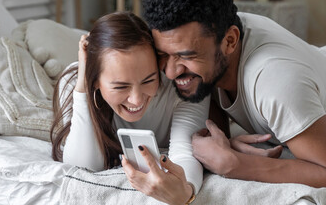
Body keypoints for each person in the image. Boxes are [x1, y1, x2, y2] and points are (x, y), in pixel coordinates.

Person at [142, 0, 326, 190]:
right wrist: (227, 144)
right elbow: (215, 130)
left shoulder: (276, 83)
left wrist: (236, 164)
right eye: (162, 55)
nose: (171, 72)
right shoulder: (213, 35)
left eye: (186, 56)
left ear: (230, 41)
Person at [50, 11, 212, 204]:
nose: (136, 100)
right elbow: (81, 168)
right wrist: (84, 88)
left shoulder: (184, 86)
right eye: (120, 86)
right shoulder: (74, 82)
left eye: (149, 80)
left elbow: (185, 151)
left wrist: (186, 191)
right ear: (94, 80)